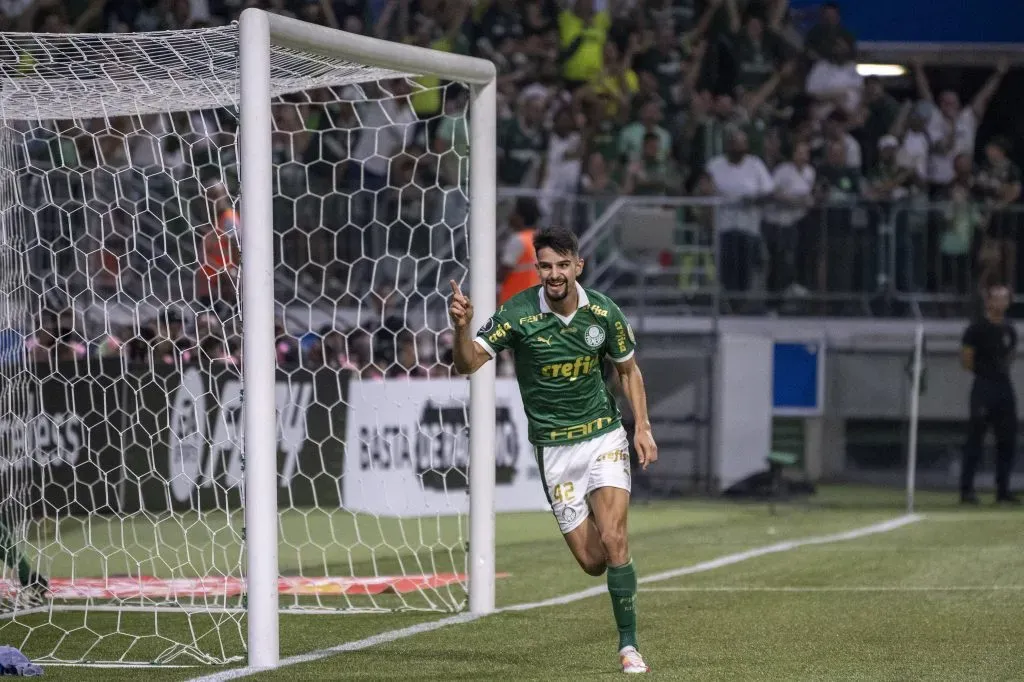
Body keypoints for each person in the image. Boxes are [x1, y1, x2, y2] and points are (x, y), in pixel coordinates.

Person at [448, 227, 657, 674]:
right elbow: (467, 364)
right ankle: (616, 578)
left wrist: (642, 426)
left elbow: (628, 370)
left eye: (563, 265)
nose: (555, 274)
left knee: (616, 537)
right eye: (546, 266)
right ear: (537, 268)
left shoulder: (603, 311)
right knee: (592, 561)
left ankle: (629, 646)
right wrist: (461, 326)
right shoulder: (518, 314)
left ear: (578, 266)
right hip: (555, 450)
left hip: (603, 435)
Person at [960, 283, 1020, 505]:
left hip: (1004, 387)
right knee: (975, 438)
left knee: (1007, 439)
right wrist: (984, 372)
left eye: (1005, 298)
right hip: (983, 386)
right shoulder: (975, 329)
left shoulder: (1009, 329)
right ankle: (966, 490)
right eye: (997, 298)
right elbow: (966, 360)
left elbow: (1011, 354)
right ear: (989, 301)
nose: (1001, 303)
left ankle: (1002, 490)